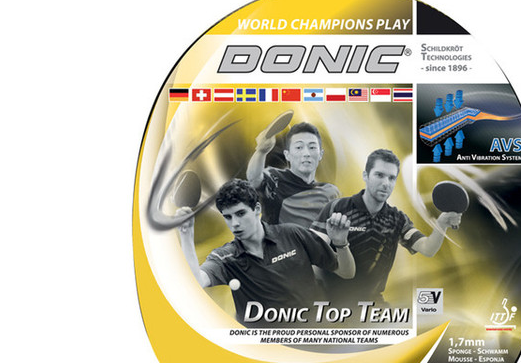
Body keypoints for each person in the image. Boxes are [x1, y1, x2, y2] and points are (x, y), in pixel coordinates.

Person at [178, 179, 354, 325]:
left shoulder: (293, 234)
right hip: (263, 348)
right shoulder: (225, 257)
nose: (235, 224)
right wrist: (186, 236)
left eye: (240, 213)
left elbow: (347, 272)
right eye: (228, 217)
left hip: (312, 336)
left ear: (257, 209)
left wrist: (341, 243)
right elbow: (196, 282)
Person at [310, 149, 462, 305]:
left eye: (391, 178)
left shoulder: (397, 218)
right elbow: (311, 254)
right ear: (365, 176)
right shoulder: (337, 208)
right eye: (379, 175)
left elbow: (427, 249)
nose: (385, 183)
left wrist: (441, 225)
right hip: (331, 303)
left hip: (374, 304)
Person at [246, 121, 339, 227]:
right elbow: (254, 179)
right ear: (287, 155)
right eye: (299, 147)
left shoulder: (330, 192)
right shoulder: (275, 179)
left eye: (312, 147)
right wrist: (261, 151)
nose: (306, 154)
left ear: (320, 154)